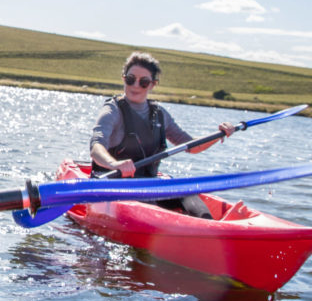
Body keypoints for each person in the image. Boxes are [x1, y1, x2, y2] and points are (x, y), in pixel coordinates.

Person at [89, 51, 235, 218]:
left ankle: (210, 226)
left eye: (143, 82)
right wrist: (114, 164)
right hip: (114, 184)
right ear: (124, 79)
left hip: (147, 185)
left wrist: (219, 134)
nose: (135, 85)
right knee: (149, 201)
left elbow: (190, 146)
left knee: (186, 192)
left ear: (152, 85)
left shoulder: (159, 114)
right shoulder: (111, 111)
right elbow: (96, 147)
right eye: (130, 79)